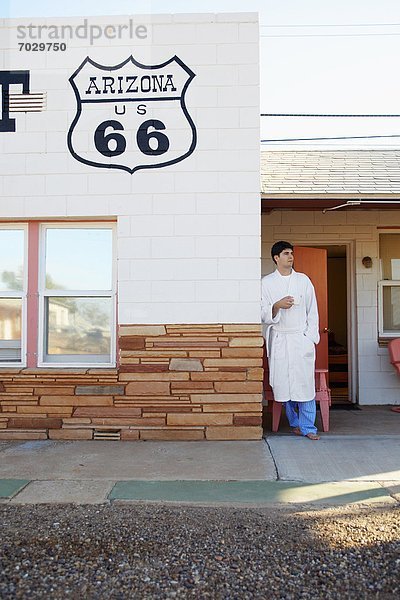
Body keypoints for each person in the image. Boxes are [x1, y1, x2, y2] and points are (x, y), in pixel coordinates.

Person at [261, 241, 320, 440]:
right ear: (276, 258)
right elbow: (262, 312)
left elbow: (313, 311)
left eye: (291, 253)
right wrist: (276, 305)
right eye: (286, 253)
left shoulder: (303, 281)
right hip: (280, 338)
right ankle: (294, 422)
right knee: (283, 382)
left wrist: (309, 338)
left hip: (299, 338)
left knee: (304, 383)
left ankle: (308, 427)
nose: (290, 256)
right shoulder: (266, 283)